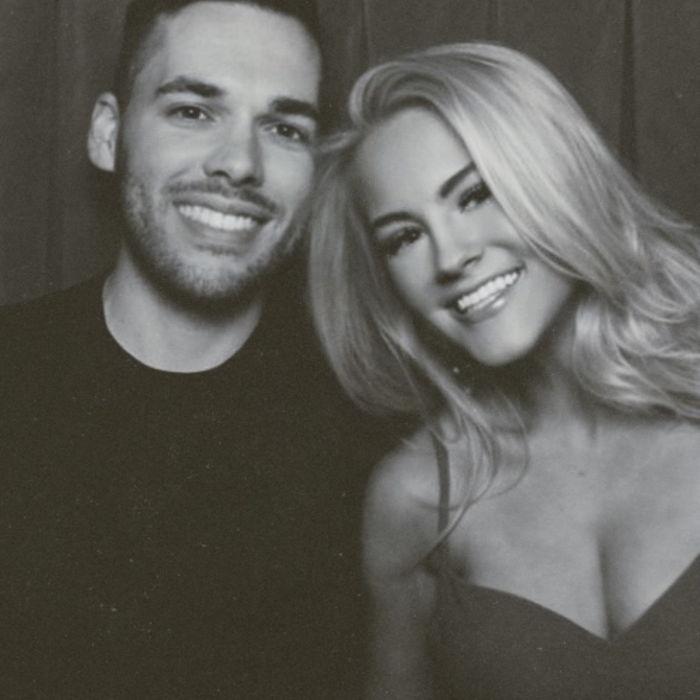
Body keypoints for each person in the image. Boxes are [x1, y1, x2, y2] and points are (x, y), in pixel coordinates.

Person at [0, 1, 386, 696]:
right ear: (109, 134)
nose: (239, 164)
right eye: (193, 111)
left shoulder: (379, 422)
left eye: (284, 128)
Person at [308, 42, 700, 698]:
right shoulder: (415, 499)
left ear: (559, 177)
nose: (450, 257)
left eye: (474, 195)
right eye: (405, 237)